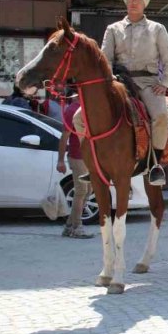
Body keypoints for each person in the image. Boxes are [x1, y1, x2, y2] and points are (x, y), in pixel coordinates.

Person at [100, 0, 168, 186]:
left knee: (160, 117)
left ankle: (155, 164)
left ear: (144, 4)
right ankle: (92, 162)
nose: (134, 2)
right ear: (126, 3)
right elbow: (105, 59)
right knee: (82, 116)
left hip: (147, 82)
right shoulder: (113, 29)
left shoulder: (157, 29)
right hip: (118, 81)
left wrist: (165, 83)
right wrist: (110, 79)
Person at [56, 94, 94, 238]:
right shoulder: (72, 110)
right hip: (78, 156)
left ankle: (69, 226)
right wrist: (60, 160)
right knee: (81, 191)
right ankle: (77, 227)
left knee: (88, 191)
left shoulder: (86, 108)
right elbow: (64, 136)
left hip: (87, 156)